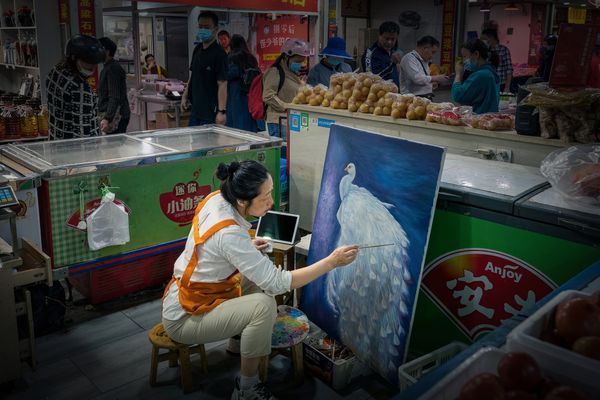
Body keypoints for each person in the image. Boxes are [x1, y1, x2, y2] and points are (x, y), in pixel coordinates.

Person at [162, 160, 359, 400]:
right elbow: (277, 282)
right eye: (265, 197)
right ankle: (246, 388)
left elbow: (212, 247)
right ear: (243, 201)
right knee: (264, 305)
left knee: (255, 280)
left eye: (271, 192)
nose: (272, 202)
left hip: (196, 292)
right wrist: (331, 262)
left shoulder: (218, 198)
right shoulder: (229, 233)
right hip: (185, 316)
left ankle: (237, 344)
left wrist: (245, 246)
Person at [46, 35, 105, 140]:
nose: (93, 68)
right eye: (88, 63)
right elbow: (82, 132)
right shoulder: (80, 88)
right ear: (73, 58)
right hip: (73, 150)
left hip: (55, 140)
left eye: (94, 64)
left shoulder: (56, 71)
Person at [182, 11, 228, 127]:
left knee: (208, 144)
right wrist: (185, 95)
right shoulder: (197, 49)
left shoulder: (219, 54)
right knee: (193, 144)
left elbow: (222, 83)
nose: (203, 30)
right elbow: (192, 75)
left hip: (210, 113)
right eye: (200, 27)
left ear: (216, 29)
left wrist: (221, 112)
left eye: (207, 27)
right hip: (195, 111)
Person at [263, 39, 309, 139]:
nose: (301, 64)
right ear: (286, 57)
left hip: (291, 120)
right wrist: (286, 107)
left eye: (302, 61)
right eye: (297, 61)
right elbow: (268, 96)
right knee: (283, 153)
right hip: (278, 122)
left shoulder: (292, 73)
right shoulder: (275, 72)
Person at [452, 39, 500, 114]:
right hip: (487, 117)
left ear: (476, 54)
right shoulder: (490, 72)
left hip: (480, 118)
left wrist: (458, 74)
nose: (463, 61)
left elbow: (458, 96)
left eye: (465, 56)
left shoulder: (481, 75)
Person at [97, 37, 130, 134]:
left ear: (106, 51)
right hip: (113, 114)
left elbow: (114, 96)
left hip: (116, 116)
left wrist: (107, 118)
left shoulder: (112, 69)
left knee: (114, 147)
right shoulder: (108, 67)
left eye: (98, 50)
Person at [226, 34, 259, 132]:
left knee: (237, 124)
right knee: (249, 122)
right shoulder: (251, 57)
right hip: (251, 94)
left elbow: (229, 75)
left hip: (236, 94)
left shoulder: (232, 57)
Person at [361, 21, 401, 88]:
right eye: (387, 38)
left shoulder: (392, 51)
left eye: (393, 39)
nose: (389, 42)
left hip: (394, 94)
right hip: (377, 95)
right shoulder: (370, 53)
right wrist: (391, 64)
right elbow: (371, 79)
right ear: (379, 36)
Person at [481, 28, 513, 93]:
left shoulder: (504, 50)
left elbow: (509, 70)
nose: (483, 42)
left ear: (491, 37)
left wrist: (507, 87)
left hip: (500, 84)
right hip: (487, 84)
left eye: (485, 39)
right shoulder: (485, 52)